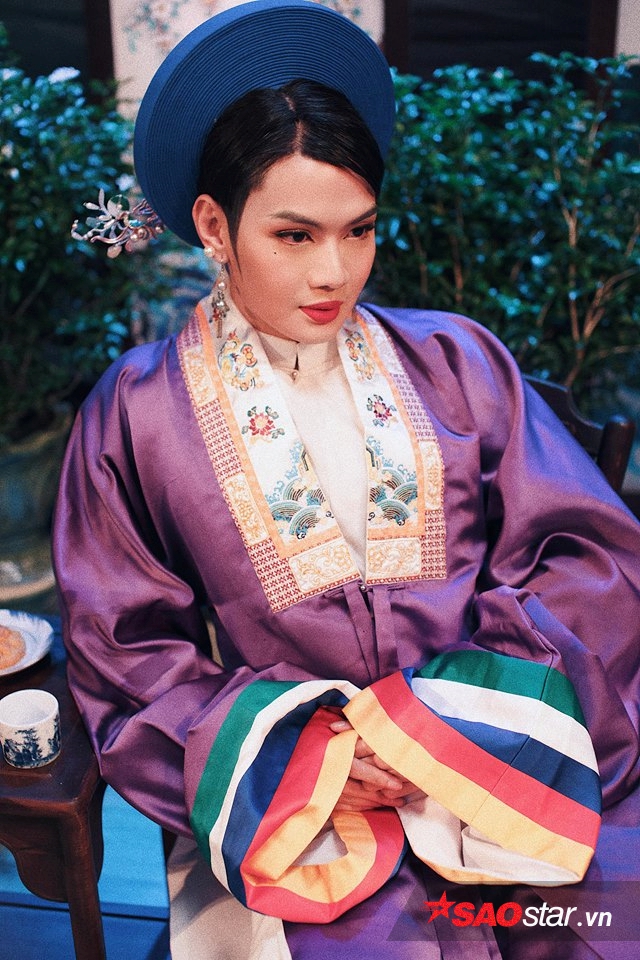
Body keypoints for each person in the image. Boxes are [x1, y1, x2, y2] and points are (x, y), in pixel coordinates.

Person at [54, 2, 640, 958]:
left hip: (507, 749)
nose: (335, 272)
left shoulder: (458, 363)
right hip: (299, 802)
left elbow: (589, 563)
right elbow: (127, 651)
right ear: (214, 224)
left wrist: (441, 726)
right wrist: (318, 752)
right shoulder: (138, 414)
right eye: (294, 236)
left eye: (358, 230)